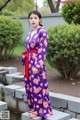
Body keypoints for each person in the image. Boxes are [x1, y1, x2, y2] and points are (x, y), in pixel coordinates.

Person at [22, 10, 53, 118]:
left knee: (38, 86)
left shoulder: (42, 32)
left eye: (35, 18)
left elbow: (42, 50)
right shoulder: (30, 33)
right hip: (28, 64)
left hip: (36, 64)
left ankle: (40, 109)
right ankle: (33, 108)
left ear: (40, 19)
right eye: (31, 18)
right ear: (29, 20)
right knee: (29, 86)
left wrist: (38, 66)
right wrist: (24, 58)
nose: (33, 20)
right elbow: (27, 49)